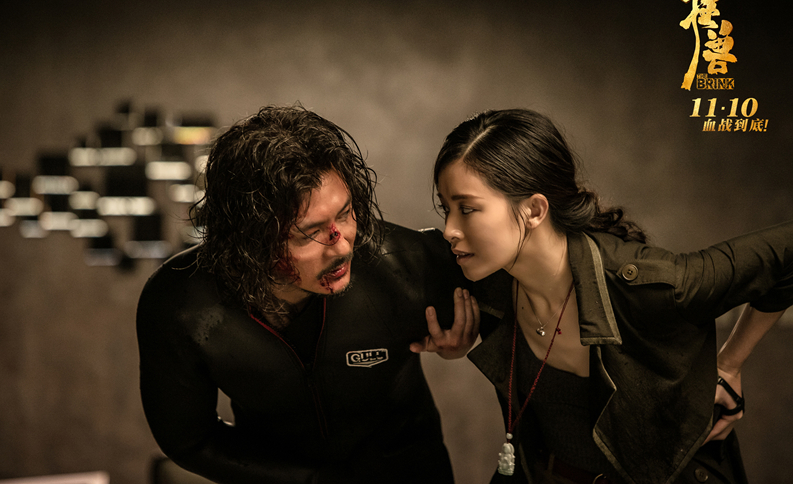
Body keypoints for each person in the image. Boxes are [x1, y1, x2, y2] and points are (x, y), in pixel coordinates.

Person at [428, 108, 791, 484]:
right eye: (446, 209)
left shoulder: (647, 286)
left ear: (534, 210)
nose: (449, 229)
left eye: (467, 209)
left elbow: (787, 256)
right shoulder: (485, 279)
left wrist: (729, 364)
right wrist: (450, 336)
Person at [136, 105, 479, 484]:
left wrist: (465, 339)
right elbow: (189, 440)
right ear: (249, 241)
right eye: (310, 233)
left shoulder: (405, 263)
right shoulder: (181, 304)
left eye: (345, 214)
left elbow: (519, 301)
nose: (342, 246)